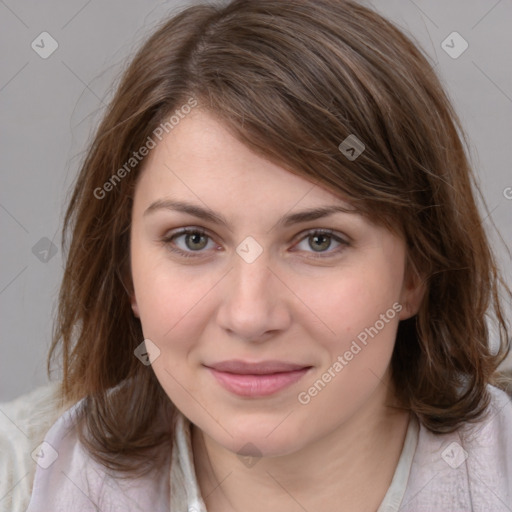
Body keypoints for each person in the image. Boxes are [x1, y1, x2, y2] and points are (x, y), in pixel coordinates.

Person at [1, 0, 511, 510]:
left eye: (319, 241)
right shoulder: (19, 477)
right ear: (127, 272)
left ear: (414, 274)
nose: (250, 316)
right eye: (193, 239)